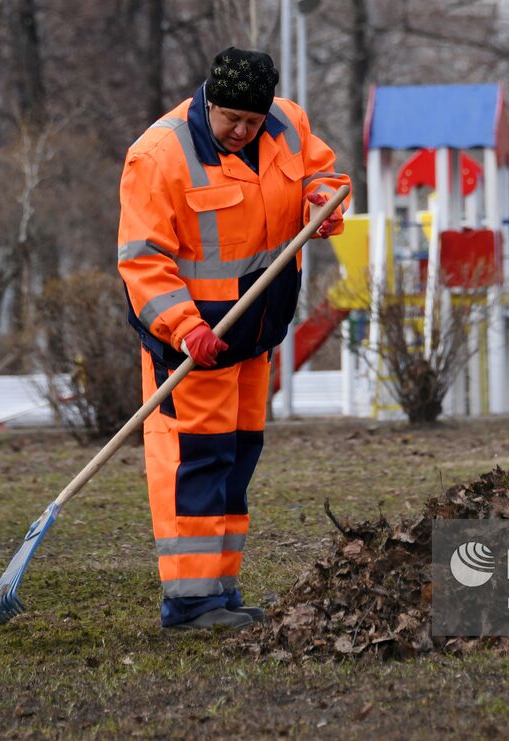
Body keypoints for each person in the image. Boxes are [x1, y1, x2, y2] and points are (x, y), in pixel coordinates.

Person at [117, 47, 350, 631]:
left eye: (253, 121)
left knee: (237, 460)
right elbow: (143, 259)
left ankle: (219, 589)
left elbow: (325, 174)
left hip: (255, 335)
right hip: (192, 345)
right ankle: (189, 601)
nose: (244, 132)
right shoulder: (159, 156)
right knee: (196, 463)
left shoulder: (286, 123)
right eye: (232, 121)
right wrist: (185, 326)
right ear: (209, 101)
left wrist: (323, 203)